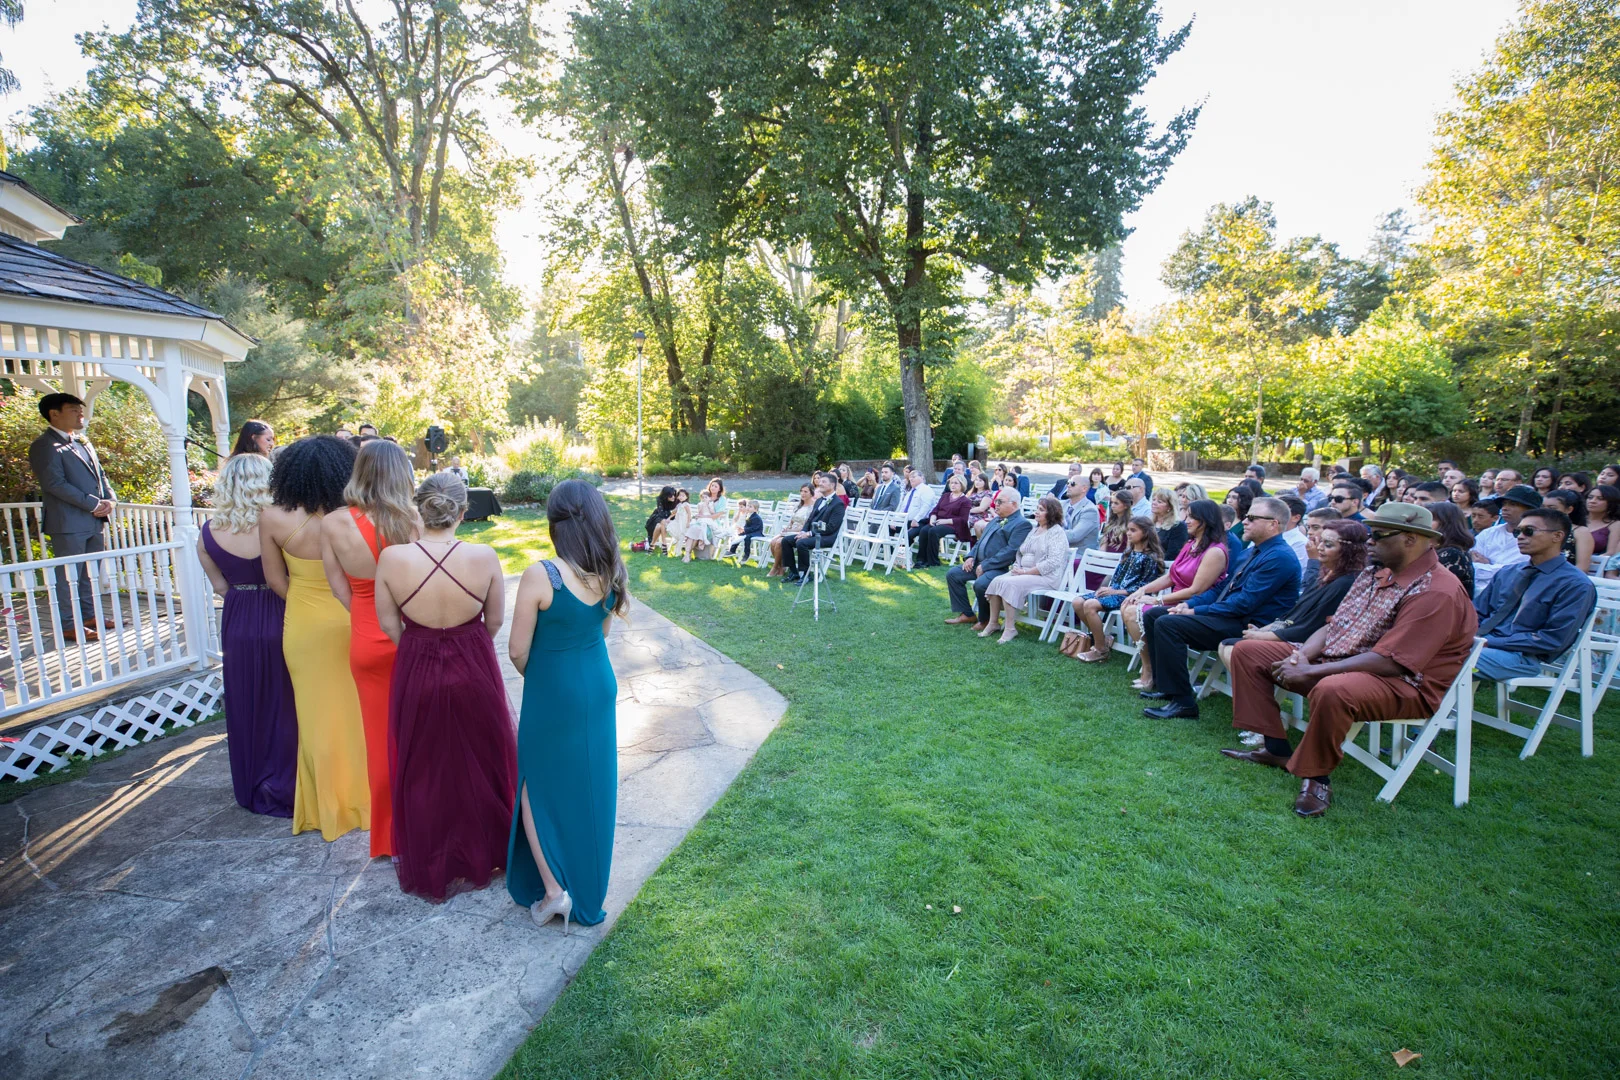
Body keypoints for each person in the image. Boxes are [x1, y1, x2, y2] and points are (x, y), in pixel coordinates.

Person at [1219, 503, 1478, 818]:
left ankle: (1316, 778)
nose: (1369, 541)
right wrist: (1301, 657)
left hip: (1405, 684)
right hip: (1346, 661)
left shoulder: (1436, 590)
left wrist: (1312, 671)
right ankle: (1275, 749)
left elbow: (1393, 662)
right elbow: (1333, 626)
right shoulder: (1375, 571)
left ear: (1411, 540)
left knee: (1333, 689)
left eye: (1378, 535)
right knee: (1249, 651)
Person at [373, 473, 515, 902]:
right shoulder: (484, 555)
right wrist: (466, 646)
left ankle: (435, 857)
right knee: (484, 759)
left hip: (417, 663)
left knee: (423, 765)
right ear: (463, 510)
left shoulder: (392, 558)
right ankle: (487, 850)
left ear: (418, 508)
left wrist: (421, 647)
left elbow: (388, 624)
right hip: (473, 661)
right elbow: (494, 621)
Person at [507, 480, 629, 928]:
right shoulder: (610, 569)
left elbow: (517, 651)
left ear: (555, 524)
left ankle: (555, 892)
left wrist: (547, 681)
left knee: (535, 786)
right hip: (599, 684)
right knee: (592, 786)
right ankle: (587, 887)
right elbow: (602, 633)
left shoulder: (542, 574)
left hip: (554, 693)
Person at [259, 435, 369, 842]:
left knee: (315, 718)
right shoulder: (357, 517)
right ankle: (367, 799)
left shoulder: (272, 518)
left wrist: (306, 600)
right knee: (359, 714)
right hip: (353, 617)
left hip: (304, 626)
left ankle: (329, 807)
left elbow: (275, 580)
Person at [321, 440, 421, 860]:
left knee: (379, 742)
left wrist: (367, 616)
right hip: (410, 637)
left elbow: (338, 589)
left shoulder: (332, 523)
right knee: (419, 737)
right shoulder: (411, 520)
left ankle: (388, 840)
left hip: (366, 637)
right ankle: (422, 831)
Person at [195, 453, 297, 818]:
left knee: (246, 702)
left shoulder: (208, 532)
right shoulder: (279, 525)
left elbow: (220, 586)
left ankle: (254, 783)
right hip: (281, 610)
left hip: (239, 618)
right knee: (285, 702)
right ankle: (290, 782)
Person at [1141, 496, 1301, 719]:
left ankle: (1184, 703)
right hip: (1231, 616)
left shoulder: (1279, 557)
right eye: (1246, 516)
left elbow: (1243, 603)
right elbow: (1222, 589)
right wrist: (1188, 604)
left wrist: (1195, 611)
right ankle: (1168, 688)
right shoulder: (1251, 552)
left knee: (1169, 624)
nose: (1244, 521)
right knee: (1156, 614)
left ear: (1273, 524)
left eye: (1252, 518)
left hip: (1251, 626)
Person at [1219, 518, 1369, 742]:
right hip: (1298, 635)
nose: (1319, 547)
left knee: (1238, 650)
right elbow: (1296, 613)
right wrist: (1267, 629)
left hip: (1316, 649)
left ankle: (1267, 722)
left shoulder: (1346, 582)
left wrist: (1265, 636)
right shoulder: (1329, 575)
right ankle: (1264, 715)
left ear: (1349, 550)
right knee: (1227, 646)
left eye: (1328, 544)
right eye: (1320, 541)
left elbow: (1313, 626)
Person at [1472, 507, 1597, 685]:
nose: (1520, 537)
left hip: (1522, 656)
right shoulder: (1508, 572)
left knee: (1447, 659)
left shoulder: (1575, 585)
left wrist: (1489, 642)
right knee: (1434, 648)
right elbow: (1476, 612)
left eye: (1529, 531)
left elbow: (1552, 639)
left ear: (1557, 536)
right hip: (1481, 644)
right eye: (1518, 532)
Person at [28, 392, 117, 642]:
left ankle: (88, 616)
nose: (81, 414)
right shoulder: (44, 446)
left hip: (95, 520)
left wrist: (110, 500)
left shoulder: (82, 442)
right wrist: (93, 504)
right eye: (73, 410)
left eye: (81, 409)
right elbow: (54, 483)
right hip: (68, 523)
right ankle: (68, 624)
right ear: (54, 414)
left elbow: (101, 475)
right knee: (69, 576)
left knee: (90, 573)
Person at [1122, 500, 1230, 692]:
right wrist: (1143, 590)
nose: (1185, 520)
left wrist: (1157, 599)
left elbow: (1196, 590)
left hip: (1192, 605)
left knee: (1132, 612)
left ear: (1206, 520)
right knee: (1128, 603)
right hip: (1174, 599)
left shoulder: (1215, 552)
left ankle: (1149, 670)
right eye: (1186, 515)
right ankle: (1151, 666)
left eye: (1191, 517)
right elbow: (1171, 576)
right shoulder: (1190, 544)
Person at [1065, 517, 1165, 662]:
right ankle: (1102, 638)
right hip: (1116, 591)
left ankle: (1100, 649)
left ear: (1145, 533)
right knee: (1077, 602)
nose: (1128, 533)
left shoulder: (1150, 557)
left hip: (1130, 596)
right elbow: (1118, 576)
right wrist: (1109, 588)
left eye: (1133, 530)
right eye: (1128, 530)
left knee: (1090, 605)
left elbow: (1145, 587)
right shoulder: (1129, 552)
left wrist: (1117, 592)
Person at [981, 497, 1069, 643]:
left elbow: (1053, 562)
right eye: (1037, 509)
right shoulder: (1034, 530)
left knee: (1009, 584)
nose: (1037, 512)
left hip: (1046, 576)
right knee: (996, 581)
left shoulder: (1056, 532)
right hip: (1024, 571)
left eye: (1041, 510)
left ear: (1052, 513)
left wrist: (1026, 572)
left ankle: (1010, 628)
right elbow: (1021, 552)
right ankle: (993, 623)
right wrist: (1017, 566)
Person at [944, 489, 1032, 630]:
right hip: (979, 564)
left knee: (981, 584)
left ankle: (986, 620)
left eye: (1000, 502)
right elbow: (980, 542)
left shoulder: (1022, 524)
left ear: (1014, 504)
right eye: (995, 501)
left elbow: (1010, 551)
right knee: (953, 574)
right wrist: (971, 556)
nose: (995, 504)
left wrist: (986, 565)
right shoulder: (996, 519)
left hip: (1001, 568)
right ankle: (967, 614)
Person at [1471, 484, 1539, 593]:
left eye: (1513, 504)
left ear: (1529, 509)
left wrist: (1487, 566)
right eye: (1504, 504)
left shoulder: (1536, 539)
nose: (1504, 508)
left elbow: (1519, 573)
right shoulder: (1488, 533)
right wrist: (1500, 568)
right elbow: (1471, 567)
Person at [782, 472, 846, 584]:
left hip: (827, 537)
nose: (820, 484)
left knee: (801, 543)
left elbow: (831, 527)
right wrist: (803, 531)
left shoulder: (838, 504)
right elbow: (810, 519)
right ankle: (793, 572)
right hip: (813, 534)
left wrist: (809, 534)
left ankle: (805, 575)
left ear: (832, 485)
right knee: (786, 540)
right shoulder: (819, 500)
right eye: (820, 481)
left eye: (823, 482)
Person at [914, 474, 972, 567]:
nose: (953, 485)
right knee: (924, 530)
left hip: (953, 525)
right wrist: (933, 517)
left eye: (956, 483)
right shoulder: (945, 496)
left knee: (934, 531)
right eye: (951, 483)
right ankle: (921, 559)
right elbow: (936, 509)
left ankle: (933, 561)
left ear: (962, 485)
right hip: (938, 522)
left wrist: (946, 521)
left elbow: (963, 520)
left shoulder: (965, 501)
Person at [1428, 500, 1477, 595]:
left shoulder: (1453, 554)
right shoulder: (1431, 548)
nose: (1425, 522)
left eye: (1431, 519)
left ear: (1447, 523)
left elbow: (1435, 590)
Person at [767, 484, 816, 576]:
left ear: (811, 493)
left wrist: (792, 530)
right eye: (801, 491)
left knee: (779, 542)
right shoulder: (798, 505)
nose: (802, 494)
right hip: (791, 530)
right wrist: (787, 528)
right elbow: (792, 520)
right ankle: (782, 566)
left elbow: (808, 525)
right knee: (773, 541)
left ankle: (775, 567)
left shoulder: (813, 507)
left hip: (801, 532)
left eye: (805, 491)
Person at [680, 478, 729, 561]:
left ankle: (688, 553)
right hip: (701, 521)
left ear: (719, 489)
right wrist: (698, 515)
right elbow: (702, 510)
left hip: (713, 523)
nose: (713, 488)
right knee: (694, 528)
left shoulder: (722, 499)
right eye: (712, 485)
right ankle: (687, 554)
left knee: (697, 529)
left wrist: (703, 516)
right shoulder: (706, 495)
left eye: (716, 486)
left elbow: (715, 516)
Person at [1585, 485, 1620, 575]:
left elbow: (1611, 553)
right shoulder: (1575, 520)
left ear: (1611, 503)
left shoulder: (1615, 524)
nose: (1592, 501)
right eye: (1590, 497)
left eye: (1600, 499)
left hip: (1594, 569)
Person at [1062, 472, 1102, 550]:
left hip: (1079, 554)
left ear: (1084, 489)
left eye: (1072, 484)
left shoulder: (1090, 510)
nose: (1068, 486)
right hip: (1060, 550)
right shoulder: (1062, 504)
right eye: (1068, 483)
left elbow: (1074, 536)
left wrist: (1049, 534)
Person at [1149, 488, 1186, 561]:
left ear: (1170, 506)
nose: (1154, 503)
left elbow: (1173, 554)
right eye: (1154, 500)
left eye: (1159, 502)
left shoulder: (1178, 526)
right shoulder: (1148, 523)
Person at [643, 485, 679, 550]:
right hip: (659, 516)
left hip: (671, 517)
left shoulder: (677, 500)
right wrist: (670, 513)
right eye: (670, 496)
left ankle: (654, 544)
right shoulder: (660, 499)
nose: (673, 497)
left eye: (674, 495)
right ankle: (659, 543)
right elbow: (661, 514)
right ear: (666, 496)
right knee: (658, 523)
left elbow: (677, 512)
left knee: (660, 524)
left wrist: (670, 515)